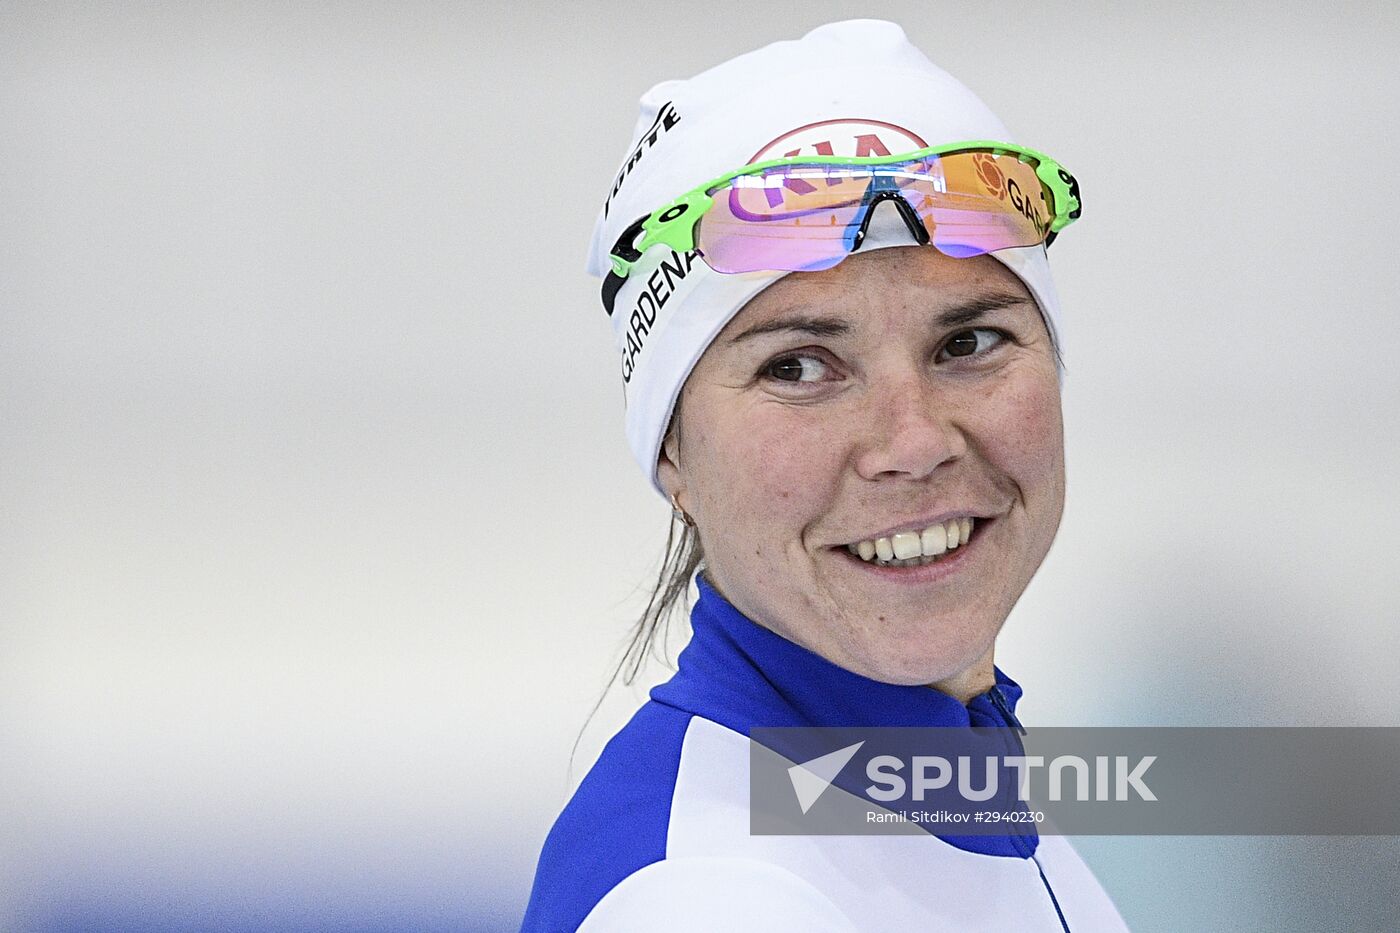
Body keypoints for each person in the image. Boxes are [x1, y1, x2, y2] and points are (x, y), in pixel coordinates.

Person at [521, 19, 1128, 932]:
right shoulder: (709, 897)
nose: (914, 440)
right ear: (672, 452)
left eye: (968, 342)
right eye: (799, 367)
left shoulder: (966, 800)